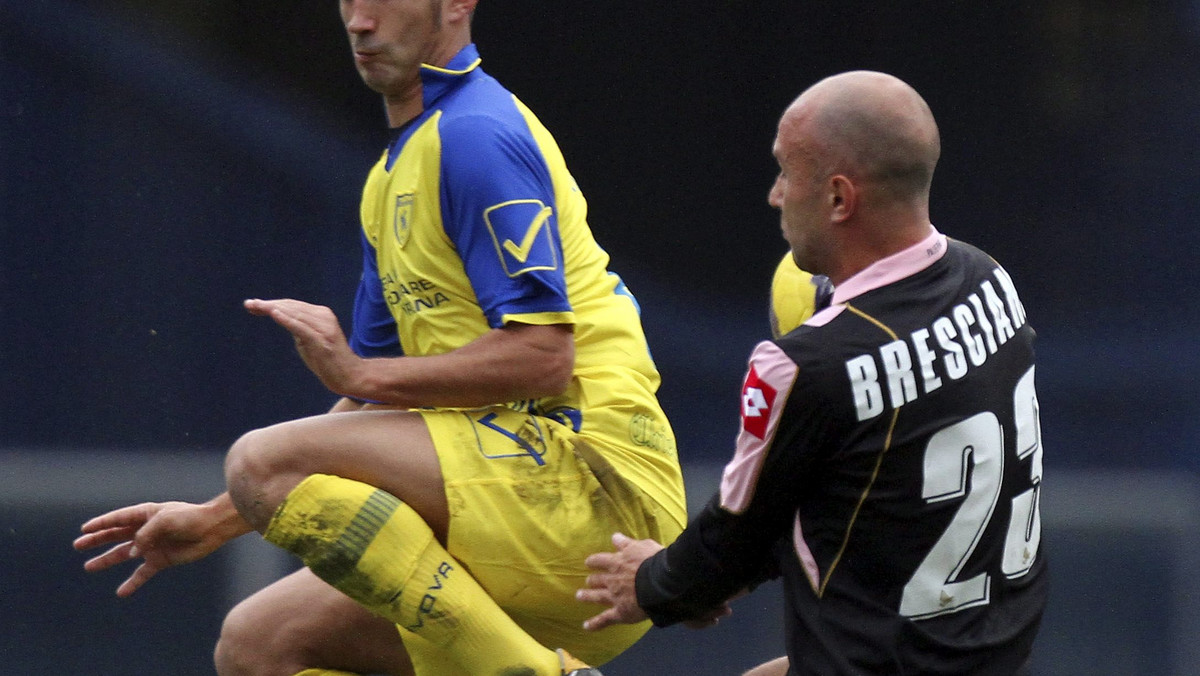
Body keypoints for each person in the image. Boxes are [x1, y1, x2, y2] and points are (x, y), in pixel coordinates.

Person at [72, 1, 686, 675]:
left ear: (455, 5)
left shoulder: (478, 134)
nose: (360, 21)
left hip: (597, 506)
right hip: (511, 511)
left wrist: (356, 377)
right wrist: (215, 520)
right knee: (258, 644)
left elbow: (543, 357)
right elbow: (373, 410)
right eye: (349, 0)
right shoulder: (391, 176)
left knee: (261, 459)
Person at [577, 70, 1047, 676]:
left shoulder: (806, 365)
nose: (775, 194)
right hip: (991, 656)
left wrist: (649, 584)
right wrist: (709, 578)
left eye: (786, 172)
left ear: (837, 198)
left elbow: (735, 537)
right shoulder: (990, 280)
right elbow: (863, 490)